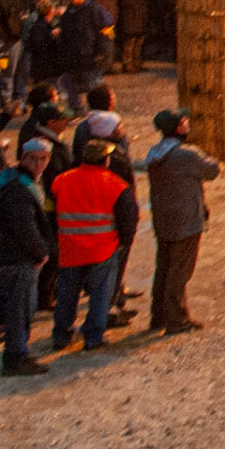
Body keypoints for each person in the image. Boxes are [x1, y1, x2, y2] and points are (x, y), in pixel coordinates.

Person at [47, 118, 137, 350]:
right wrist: (123, 243)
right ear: (106, 160)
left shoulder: (62, 180)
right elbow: (128, 218)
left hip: (69, 248)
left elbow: (50, 206)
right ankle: (93, 337)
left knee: (67, 295)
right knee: (99, 296)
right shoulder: (115, 184)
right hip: (102, 249)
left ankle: (61, 335)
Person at [142, 108, 220, 335]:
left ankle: (159, 316)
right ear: (178, 128)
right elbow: (212, 170)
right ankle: (177, 319)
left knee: (164, 267)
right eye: (184, 123)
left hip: (163, 218)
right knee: (180, 270)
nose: (187, 126)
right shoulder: (186, 155)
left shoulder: (155, 152)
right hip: (186, 219)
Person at [0, 136, 51, 375]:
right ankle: (16, 358)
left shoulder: (15, 181)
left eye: (43, 159)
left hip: (13, 257)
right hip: (18, 259)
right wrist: (41, 252)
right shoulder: (19, 188)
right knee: (20, 310)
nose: (38, 164)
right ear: (23, 158)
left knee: (20, 309)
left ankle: (18, 354)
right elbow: (23, 227)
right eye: (33, 159)